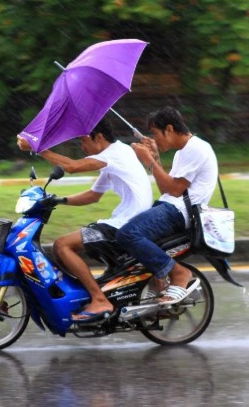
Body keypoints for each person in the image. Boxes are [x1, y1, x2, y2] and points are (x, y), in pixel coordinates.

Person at [17, 118, 153, 321]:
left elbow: (71, 167)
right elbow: (93, 195)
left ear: (98, 137)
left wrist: (39, 148)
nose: (82, 146)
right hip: (127, 220)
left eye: (83, 140)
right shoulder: (115, 155)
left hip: (127, 225)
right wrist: (57, 200)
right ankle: (92, 294)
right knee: (66, 245)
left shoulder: (113, 155)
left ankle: (99, 299)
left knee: (62, 245)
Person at [116, 106, 218, 305]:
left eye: (155, 133)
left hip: (179, 213)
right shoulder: (183, 151)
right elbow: (168, 188)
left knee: (127, 234)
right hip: (170, 207)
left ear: (169, 129)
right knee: (119, 239)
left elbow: (175, 190)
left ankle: (179, 274)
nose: (154, 138)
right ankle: (158, 280)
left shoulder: (197, 148)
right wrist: (154, 158)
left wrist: (148, 161)